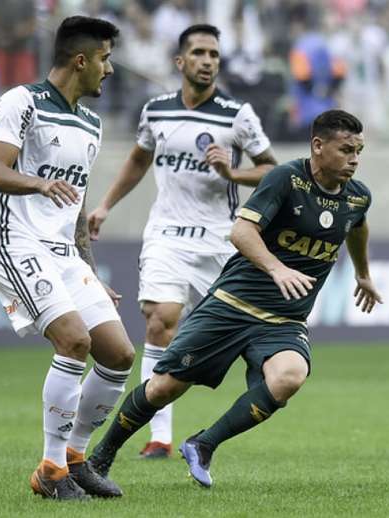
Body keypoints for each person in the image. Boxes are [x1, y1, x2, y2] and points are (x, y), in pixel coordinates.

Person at [87, 109, 382, 489]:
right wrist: (277, 269)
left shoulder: (358, 197)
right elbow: (241, 233)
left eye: (359, 151)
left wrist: (363, 274)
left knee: (290, 376)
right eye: (346, 150)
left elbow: (356, 227)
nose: (354, 159)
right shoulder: (285, 179)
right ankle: (100, 458)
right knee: (165, 388)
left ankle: (204, 443)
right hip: (232, 306)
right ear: (318, 146)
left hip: (284, 321)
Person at [87, 23, 277, 460]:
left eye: (214, 54)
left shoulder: (237, 114)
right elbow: (139, 158)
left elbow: (271, 169)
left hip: (221, 239)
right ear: (180, 61)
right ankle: (159, 434)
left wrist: (232, 174)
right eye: (199, 53)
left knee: (204, 338)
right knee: (161, 318)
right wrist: (105, 205)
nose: (208, 61)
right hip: (167, 234)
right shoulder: (156, 111)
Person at [0, 16, 134, 500]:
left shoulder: (91, 123)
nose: (110, 70)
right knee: (74, 340)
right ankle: (50, 469)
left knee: (119, 355)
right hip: (12, 240)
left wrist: (86, 269)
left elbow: (76, 201)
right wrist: (39, 182)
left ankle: (75, 457)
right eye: (105, 59)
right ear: (81, 60)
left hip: (62, 251)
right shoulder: (21, 101)